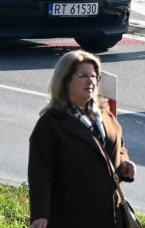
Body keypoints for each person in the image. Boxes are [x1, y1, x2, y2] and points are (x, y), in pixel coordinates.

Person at [28, 50, 136, 228]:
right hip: (73, 216)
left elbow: (119, 147)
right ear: (65, 81)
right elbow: (40, 173)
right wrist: (40, 214)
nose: (90, 81)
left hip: (112, 215)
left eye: (94, 76)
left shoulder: (105, 114)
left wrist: (124, 164)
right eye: (83, 76)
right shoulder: (51, 123)